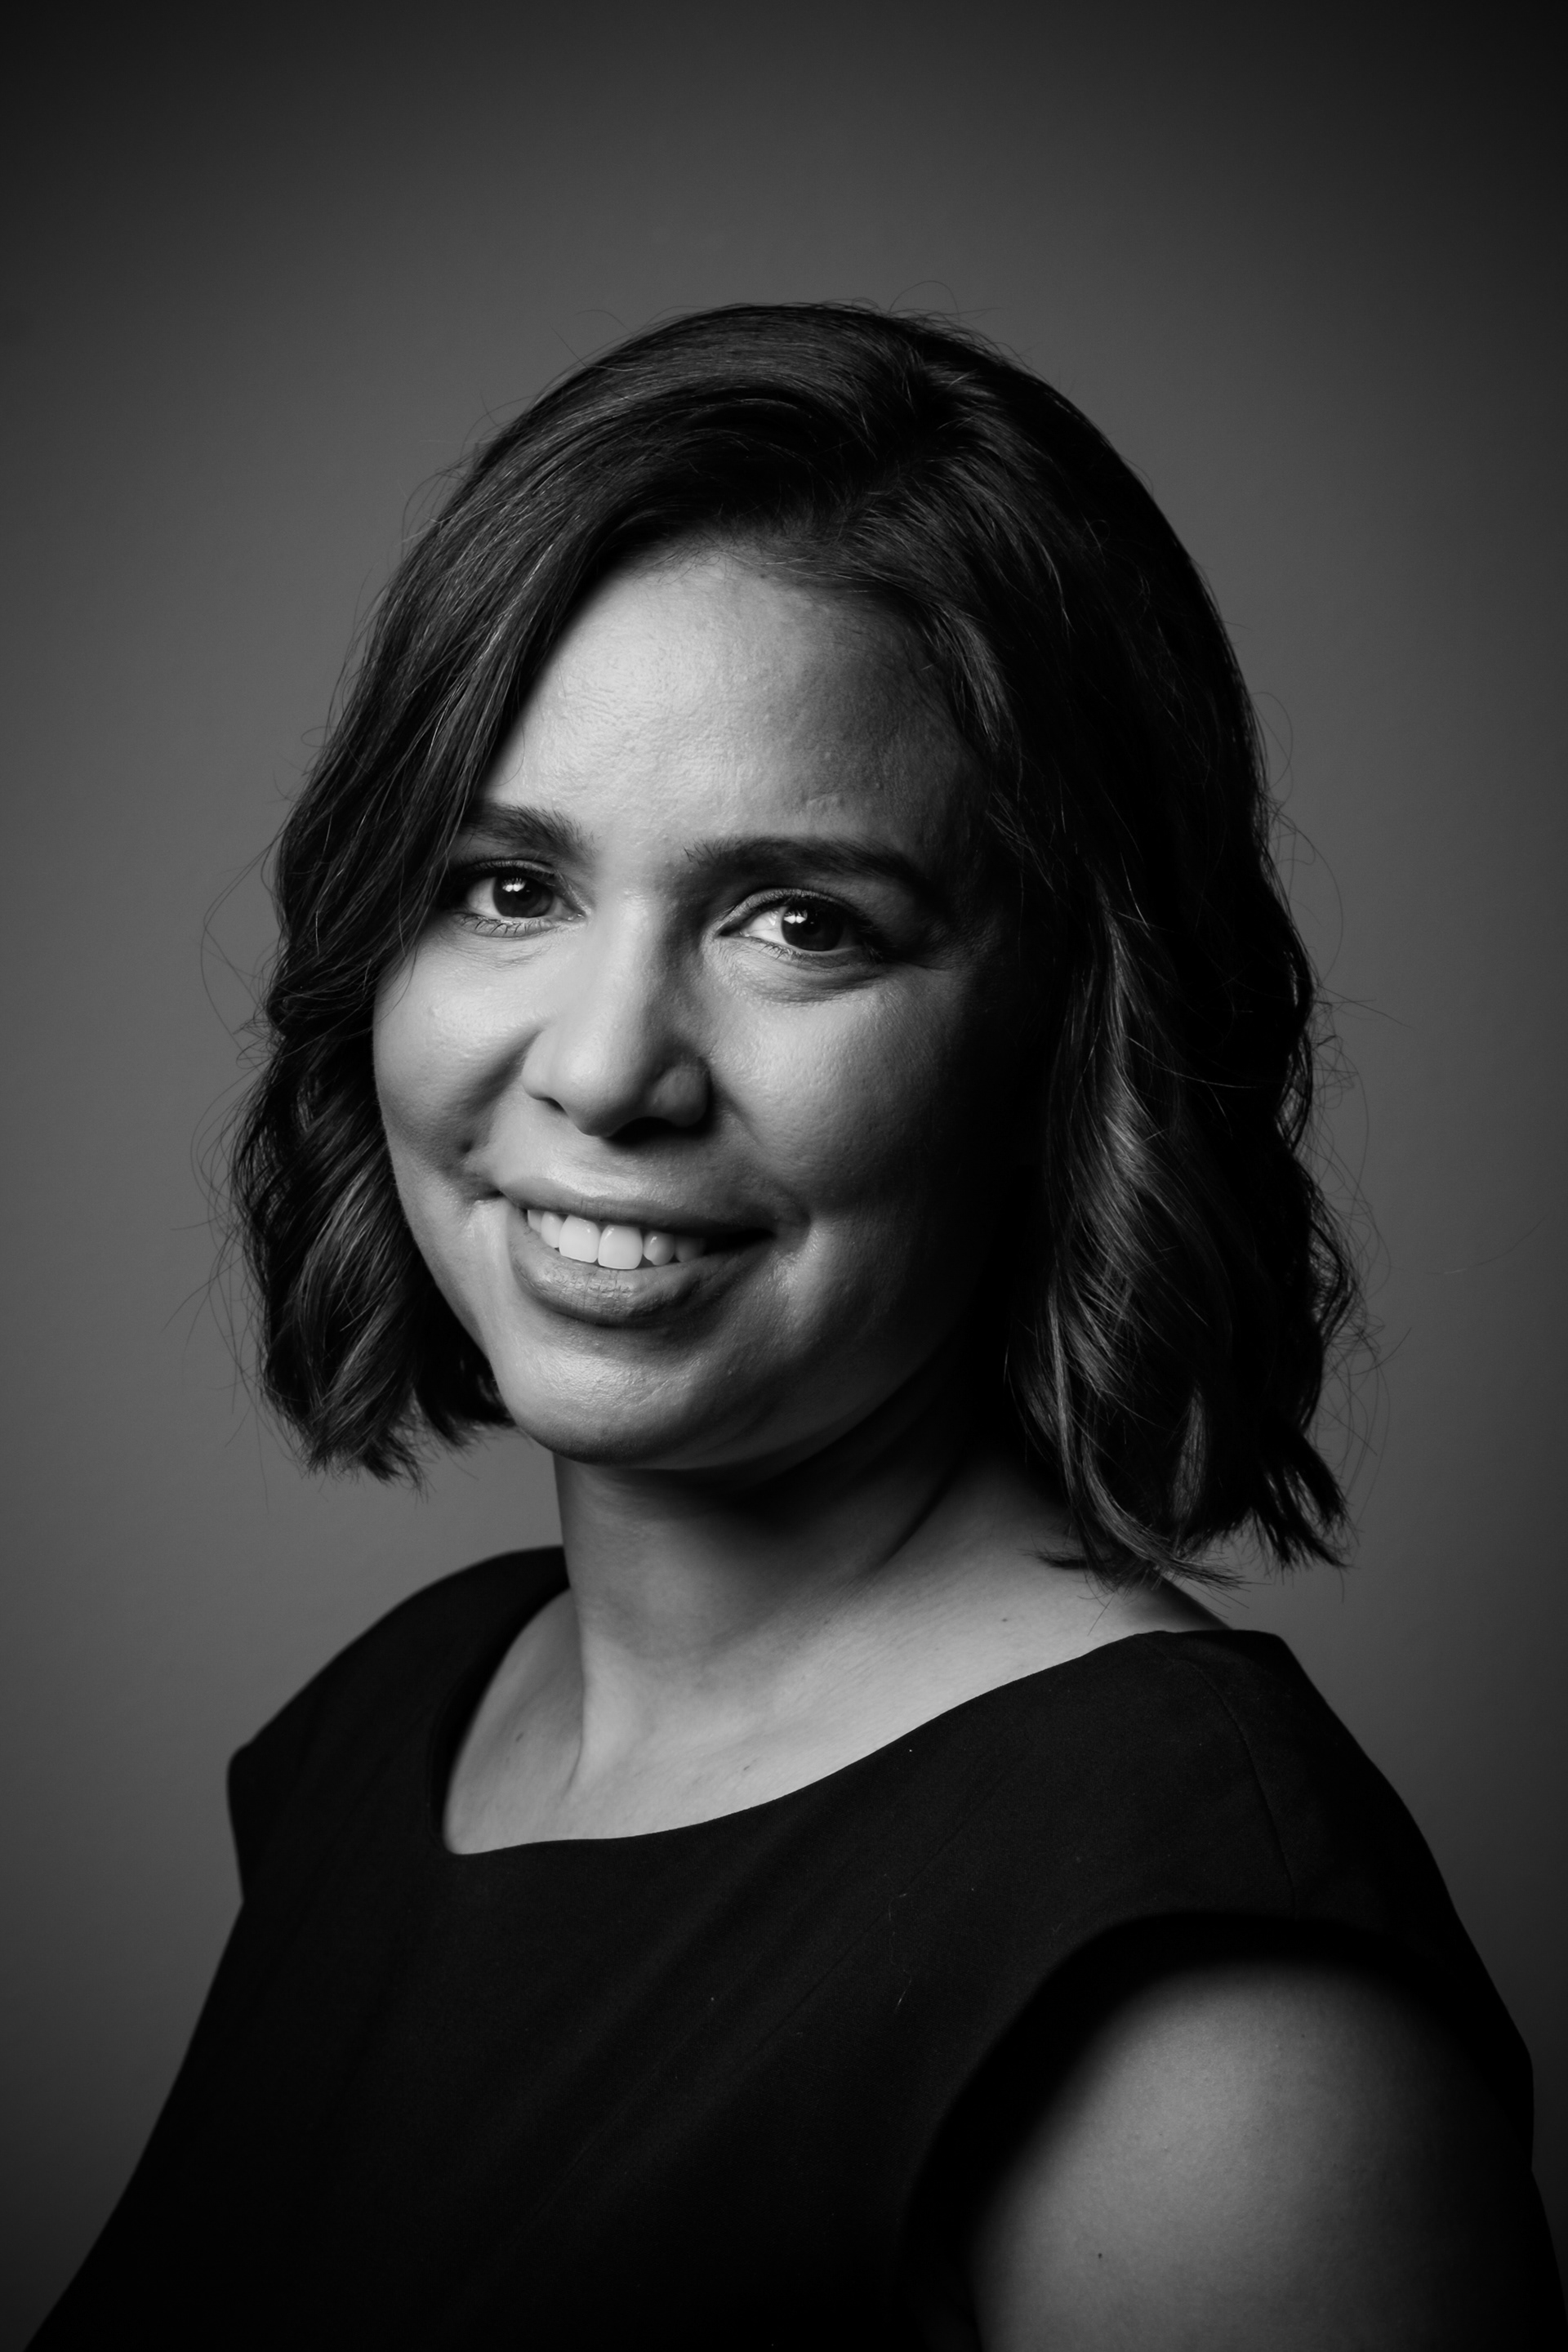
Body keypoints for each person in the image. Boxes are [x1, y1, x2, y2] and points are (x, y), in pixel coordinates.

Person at [35, 303, 1563, 2349]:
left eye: (801, 923)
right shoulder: (391, 1737)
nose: (605, 1067)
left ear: (1074, 1034)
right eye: (508, 886)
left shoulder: (1203, 1998)